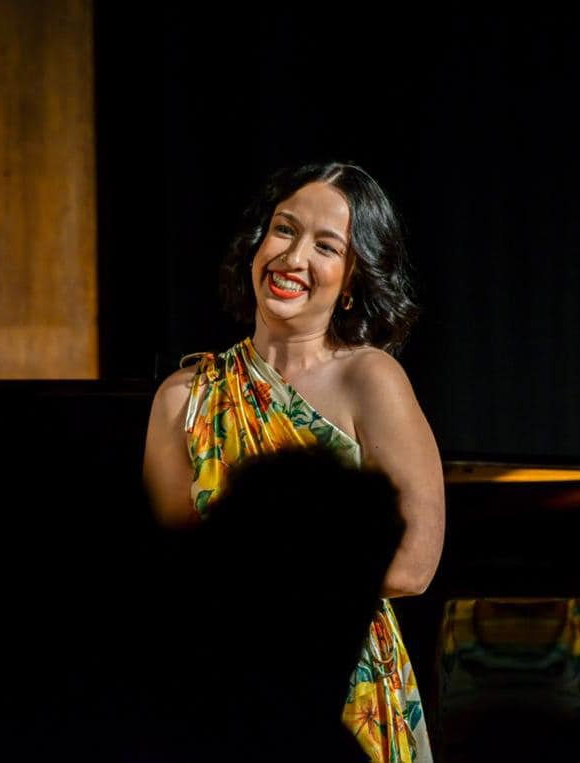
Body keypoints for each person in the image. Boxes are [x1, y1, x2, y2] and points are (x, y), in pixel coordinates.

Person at [143, 160, 445, 762]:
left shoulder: (370, 378)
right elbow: (162, 567)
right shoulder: (183, 395)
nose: (294, 257)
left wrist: (266, 594)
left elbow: (414, 565)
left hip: (341, 684)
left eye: (327, 245)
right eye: (284, 230)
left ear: (354, 277)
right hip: (211, 687)